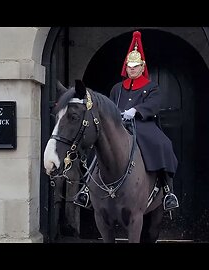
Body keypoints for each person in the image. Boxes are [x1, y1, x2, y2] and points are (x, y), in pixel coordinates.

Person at [74, 30, 179, 211]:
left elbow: (154, 104)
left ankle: (167, 190)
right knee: (97, 144)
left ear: (142, 66)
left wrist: (136, 110)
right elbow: (109, 106)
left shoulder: (151, 87)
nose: (132, 68)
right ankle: (86, 188)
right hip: (118, 125)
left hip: (142, 124)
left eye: (135, 65)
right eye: (129, 65)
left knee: (163, 144)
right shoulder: (117, 88)